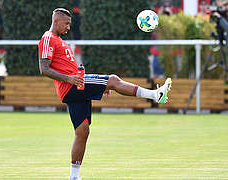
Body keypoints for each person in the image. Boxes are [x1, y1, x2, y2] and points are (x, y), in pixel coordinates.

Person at [38, 8, 172, 180]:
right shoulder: (48, 38)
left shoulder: (60, 41)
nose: (69, 27)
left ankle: (73, 177)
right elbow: (44, 68)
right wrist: (70, 79)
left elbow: (69, 70)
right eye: (67, 24)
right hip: (72, 87)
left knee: (83, 131)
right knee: (114, 80)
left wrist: (97, 85)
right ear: (56, 22)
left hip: (76, 87)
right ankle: (155, 95)